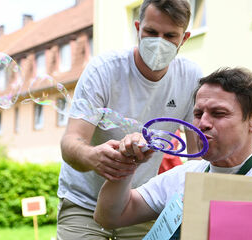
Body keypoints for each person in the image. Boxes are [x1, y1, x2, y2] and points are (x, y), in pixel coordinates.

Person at [57, 0, 203, 239]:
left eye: (170, 36)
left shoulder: (191, 77)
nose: (159, 43)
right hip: (84, 203)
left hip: (138, 204)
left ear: (184, 38)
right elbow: (70, 142)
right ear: (137, 28)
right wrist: (94, 157)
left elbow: (198, 156)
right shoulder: (103, 70)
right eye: (151, 32)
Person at [94, 67, 252, 235]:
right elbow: (110, 216)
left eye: (218, 113)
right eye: (198, 113)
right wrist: (127, 165)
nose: (203, 123)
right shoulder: (187, 174)